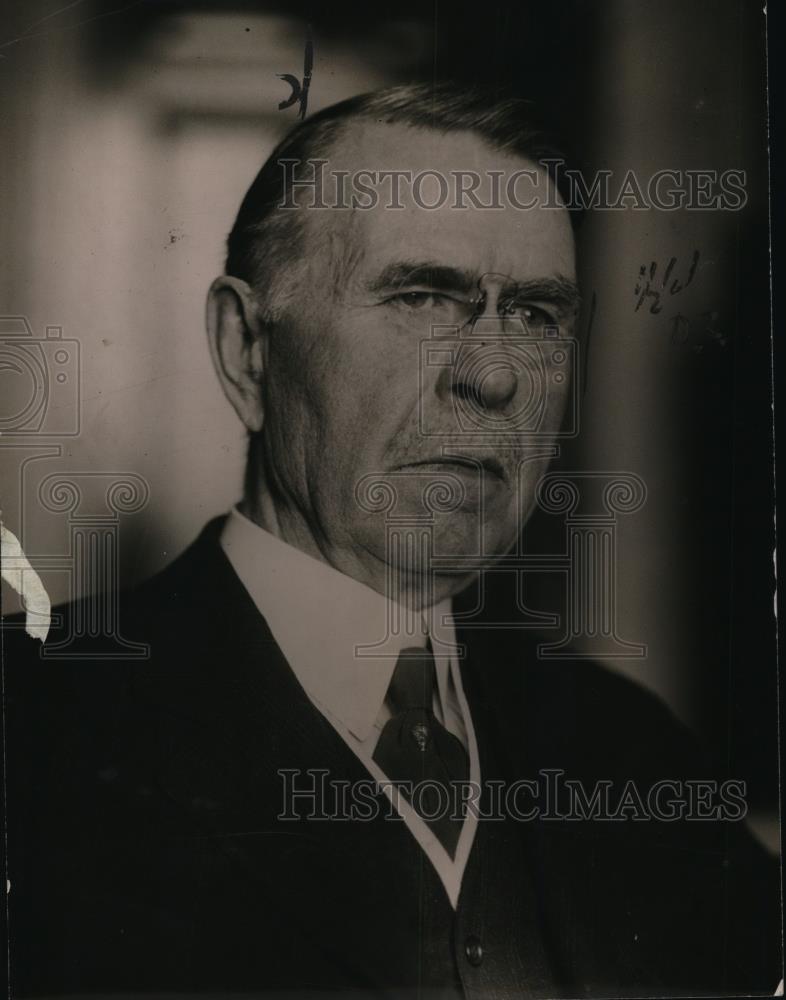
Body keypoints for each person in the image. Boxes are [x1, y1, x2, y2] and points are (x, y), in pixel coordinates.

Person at [3, 83, 781, 999]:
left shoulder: (631, 755)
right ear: (246, 348)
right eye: (421, 296)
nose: (493, 375)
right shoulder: (34, 730)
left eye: (534, 316)